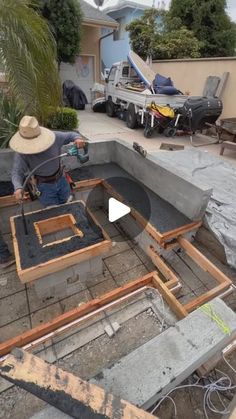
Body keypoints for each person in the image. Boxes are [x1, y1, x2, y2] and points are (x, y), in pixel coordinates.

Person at [10, 116, 85, 207]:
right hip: (44, 186)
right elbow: (17, 172)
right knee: (52, 211)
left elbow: (71, 135)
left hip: (61, 179)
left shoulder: (54, 137)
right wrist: (18, 188)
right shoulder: (22, 152)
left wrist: (78, 138)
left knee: (68, 203)